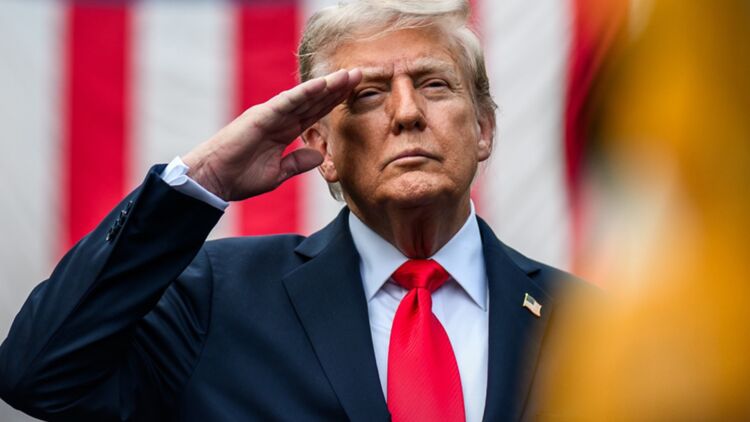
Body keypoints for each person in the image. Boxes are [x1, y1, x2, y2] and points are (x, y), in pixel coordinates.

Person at [0, 1, 590, 421]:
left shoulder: (589, 322)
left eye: (434, 84)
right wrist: (200, 181)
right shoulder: (216, 301)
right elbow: (37, 375)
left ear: (483, 128)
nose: (408, 114)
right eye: (368, 94)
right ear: (322, 146)